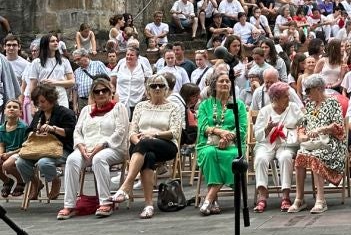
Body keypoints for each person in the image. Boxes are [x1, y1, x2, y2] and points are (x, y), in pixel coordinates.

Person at [57, 78, 129, 219]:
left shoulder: (119, 108)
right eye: (97, 91)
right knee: (72, 159)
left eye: (104, 90)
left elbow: (121, 131)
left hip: (113, 147)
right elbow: (77, 131)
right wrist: (80, 146)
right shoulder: (86, 110)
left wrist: (102, 145)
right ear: (93, 94)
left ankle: (106, 202)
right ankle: (69, 205)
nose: (101, 93)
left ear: (110, 92)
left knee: (99, 158)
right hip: (87, 147)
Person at [113, 76, 184, 218]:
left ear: (166, 89)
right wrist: (137, 141)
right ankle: (148, 205)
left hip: (165, 144)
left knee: (145, 143)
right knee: (148, 156)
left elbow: (175, 132)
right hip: (139, 145)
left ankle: (127, 185)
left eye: (161, 85)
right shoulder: (140, 106)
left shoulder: (173, 107)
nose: (157, 88)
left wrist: (154, 134)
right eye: (153, 86)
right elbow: (132, 132)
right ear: (148, 90)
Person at [290, 74, 346, 213]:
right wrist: (301, 135)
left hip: (331, 143)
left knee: (315, 156)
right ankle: (299, 198)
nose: (307, 94)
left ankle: (321, 200)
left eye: (309, 90)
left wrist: (322, 129)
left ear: (318, 89)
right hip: (313, 143)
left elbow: (339, 127)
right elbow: (303, 124)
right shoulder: (310, 104)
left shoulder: (332, 102)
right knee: (300, 156)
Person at [196, 70, 247, 215]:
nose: (225, 83)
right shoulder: (205, 105)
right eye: (221, 81)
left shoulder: (238, 104)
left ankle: (209, 200)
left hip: (233, 144)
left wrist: (227, 137)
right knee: (210, 153)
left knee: (232, 156)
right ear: (214, 85)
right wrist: (220, 132)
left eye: (227, 81)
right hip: (208, 143)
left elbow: (242, 128)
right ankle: (212, 200)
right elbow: (203, 126)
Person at [15, 83, 76, 201]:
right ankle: (36, 183)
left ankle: (55, 180)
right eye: (37, 102)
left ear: (51, 99)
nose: (40, 105)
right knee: (20, 162)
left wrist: (54, 129)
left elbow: (71, 133)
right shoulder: (39, 114)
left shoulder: (65, 113)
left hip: (62, 148)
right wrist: (32, 133)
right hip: (40, 148)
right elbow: (29, 130)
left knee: (44, 163)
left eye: (43, 101)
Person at [253, 81, 301, 212]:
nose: (289, 98)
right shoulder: (264, 111)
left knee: (285, 157)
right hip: (266, 144)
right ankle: (262, 197)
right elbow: (258, 136)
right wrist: (267, 129)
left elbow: (304, 123)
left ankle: (286, 196)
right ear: (275, 98)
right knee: (260, 159)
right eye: (285, 96)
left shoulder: (293, 108)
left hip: (287, 144)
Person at [26, 34, 75, 108]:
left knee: (62, 114)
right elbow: (33, 85)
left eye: (56, 41)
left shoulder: (64, 61)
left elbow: (72, 81)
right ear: (45, 44)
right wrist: (32, 103)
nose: (56, 43)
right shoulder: (36, 62)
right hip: (43, 96)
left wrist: (55, 82)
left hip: (61, 96)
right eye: (52, 41)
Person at [0, 100, 29, 196]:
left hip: (21, 152)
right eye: (9, 107)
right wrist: (1, 154)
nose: (11, 109)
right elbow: (1, 145)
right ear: (4, 111)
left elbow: (26, 146)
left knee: (7, 165)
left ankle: (21, 181)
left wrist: (10, 154)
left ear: (20, 112)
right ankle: (7, 181)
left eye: (15, 107)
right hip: (7, 153)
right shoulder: (1, 128)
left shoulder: (24, 127)